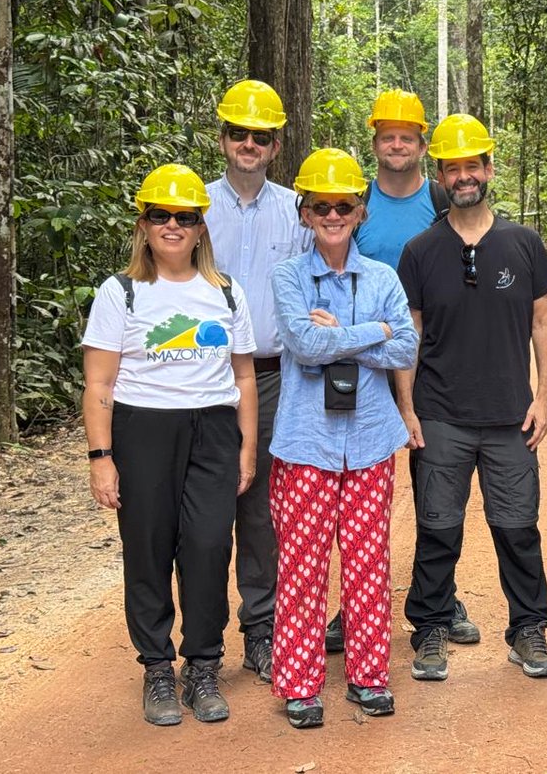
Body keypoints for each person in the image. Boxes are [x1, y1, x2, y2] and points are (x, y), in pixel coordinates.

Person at [82, 164, 258, 726]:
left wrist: (247, 448)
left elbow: (245, 377)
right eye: (161, 215)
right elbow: (99, 384)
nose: (173, 226)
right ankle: (157, 666)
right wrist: (101, 458)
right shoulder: (122, 292)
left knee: (208, 546)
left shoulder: (225, 292)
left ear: (201, 228)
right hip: (143, 429)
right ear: (144, 225)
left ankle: (202, 664)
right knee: (149, 547)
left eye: (185, 217)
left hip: (212, 428)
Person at [397, 113, 547, 681]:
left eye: (473, 165)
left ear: (489, 169)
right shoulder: (420, 251)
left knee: (517, 526)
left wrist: (544, 396)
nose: (464, 176)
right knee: (438, 526)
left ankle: (528, 630)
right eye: (452, 168)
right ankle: (432, 626)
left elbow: (545, 319)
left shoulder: (523, 243)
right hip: (440, 414)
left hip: (509, 414)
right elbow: (410, 334)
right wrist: (408, 408)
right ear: (439, 176)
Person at [324, 88, 479, 655]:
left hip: (430, 360)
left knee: (436, 482)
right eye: (387, 135)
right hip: (363, 364)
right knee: (358, 488)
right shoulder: (354, 202)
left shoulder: (441, 198)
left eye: (407, 136)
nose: (396, 144)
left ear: (421, 144)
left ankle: (441, 595)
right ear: (376, 142)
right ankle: (356, 604)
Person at [268, 149, 419, 729]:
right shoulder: (287, 276)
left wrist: (348, 334)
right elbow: (305, 348)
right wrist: (373, 332)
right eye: (320, 205)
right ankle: (301, 685)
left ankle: (368, 676)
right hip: (306, 443)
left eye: (344, 205)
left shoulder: (382, 277)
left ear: (360, 212)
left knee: (367, 563)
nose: (333, 215)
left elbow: (405, 348)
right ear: (305, 213)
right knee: (303, 566)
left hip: (371, 441)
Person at [204, 79, 310, 684]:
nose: (249, 143)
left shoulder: (292, 210)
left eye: (260, 136)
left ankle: (262, 628)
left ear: (275, 144)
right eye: (239, 133)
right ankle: (202, 640)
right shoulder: (195, 207)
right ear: (223, 139)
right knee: (205, 509)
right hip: (200, 379)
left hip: (271, 377)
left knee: (263, 509)